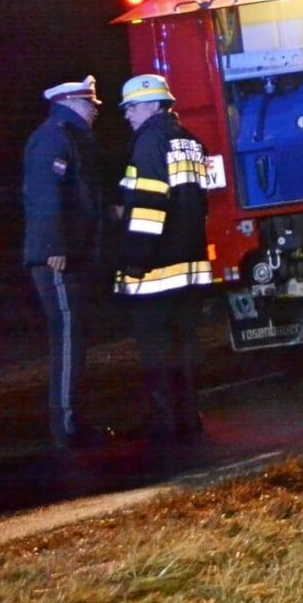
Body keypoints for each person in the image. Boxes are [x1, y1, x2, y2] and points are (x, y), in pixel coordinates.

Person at [115, 74, 213, 438]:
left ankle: (165, 420)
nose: (127, 115)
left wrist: (135, 259)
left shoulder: (149, 144)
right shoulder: (190, 142)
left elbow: (148, 208)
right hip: (190, 265)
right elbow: (200, 203)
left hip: (155, 269)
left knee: (157, 348)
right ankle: (190, 416)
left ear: (155, 104)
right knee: (185, 346)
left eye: (133, 107)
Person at [23, 75, 107, 450]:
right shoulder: (55, 137)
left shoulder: (67, 136)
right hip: (57, 257)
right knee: (68, 337)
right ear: (72, 102)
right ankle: (67, 426)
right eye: (90, 104)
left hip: (67, 252)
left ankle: (72, 420)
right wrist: (55, 245)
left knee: (73, 337)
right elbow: (45, 195)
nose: (94, 110)